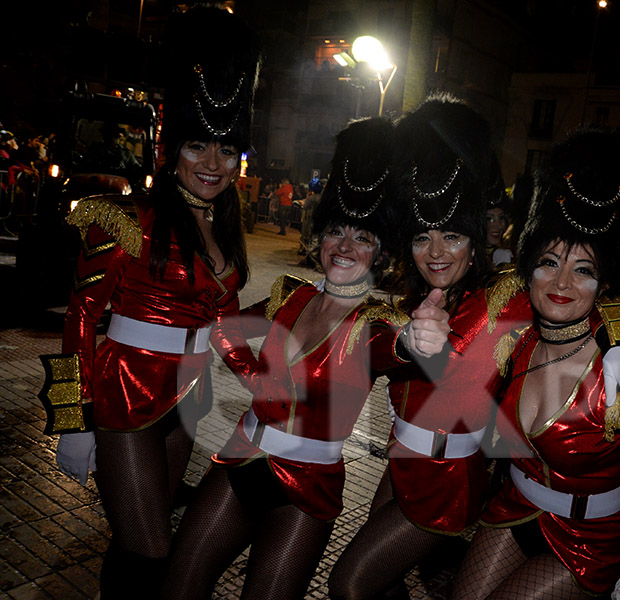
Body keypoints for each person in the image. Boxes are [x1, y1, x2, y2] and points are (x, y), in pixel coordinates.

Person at [328, 97, 620, 600]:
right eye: (422, 237)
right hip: (413, 471)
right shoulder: (414, 298)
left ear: (478, 234)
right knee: (378, 581)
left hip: (453, 484)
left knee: (350, 582)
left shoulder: (506, 297)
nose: (437, 252)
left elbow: (578, 292)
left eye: (453, 236)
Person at [161, 116, 451, 600]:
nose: (344, 245)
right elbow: (224, 327)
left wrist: (417, 343)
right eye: (337, 230)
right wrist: (254, 377)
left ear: (380, 254)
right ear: (319, 237)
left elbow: (395, 350)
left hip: (306, 489)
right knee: (179, 585)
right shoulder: (286, 296)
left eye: (363, 237)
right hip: (240, 460)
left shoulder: (376, 323)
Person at [40, 7, 262, 598]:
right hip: (125, 398)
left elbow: (219, 326)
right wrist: (70, 419)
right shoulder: (126, 220)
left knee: (140, 543)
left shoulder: (226, 228)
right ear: (171, 146)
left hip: (187, 402)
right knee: (149, 557)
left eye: (225, 147)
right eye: (198, 146)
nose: (213, 163)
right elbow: (81, 318)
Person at [450, 129, 620, 600]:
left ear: (604, 284)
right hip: (516, 506)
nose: (561, 282)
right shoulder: (513, 342)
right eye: (549, 262)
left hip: (589, 540)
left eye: (583, 269)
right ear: (528, 267)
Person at [485, 186, 514, 269]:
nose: (499, 225)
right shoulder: (465, 257)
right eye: (489, 219)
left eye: (501, 218)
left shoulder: (504, 256)